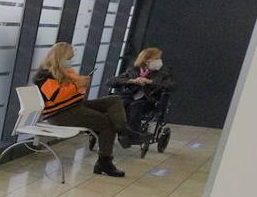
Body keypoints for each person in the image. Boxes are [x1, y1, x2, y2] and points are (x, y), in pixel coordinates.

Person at [33, 42, 149, 178]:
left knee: (114, 100)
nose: (70, 61)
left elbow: (76, 95)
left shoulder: (66, 72)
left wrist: (81, 85)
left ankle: (123, 131)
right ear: (60, 57)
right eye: (69, 58)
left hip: (74, 106)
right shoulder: (44, 75)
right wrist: (77, 85)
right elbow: (56, 96)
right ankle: (105, 161)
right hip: (59, 114)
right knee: (107, 123)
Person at [112, 46, 175, 129]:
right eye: (156, 59)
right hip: (130, 96)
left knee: (135, 106)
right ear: (146, 60)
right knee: (117, 103)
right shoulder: (133, 71)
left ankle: (132, 132)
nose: (159, 61)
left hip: (149, 100)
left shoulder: (163, 72)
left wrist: (150, 82)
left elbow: (170, 85)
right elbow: (112, 81)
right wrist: (132, 81)